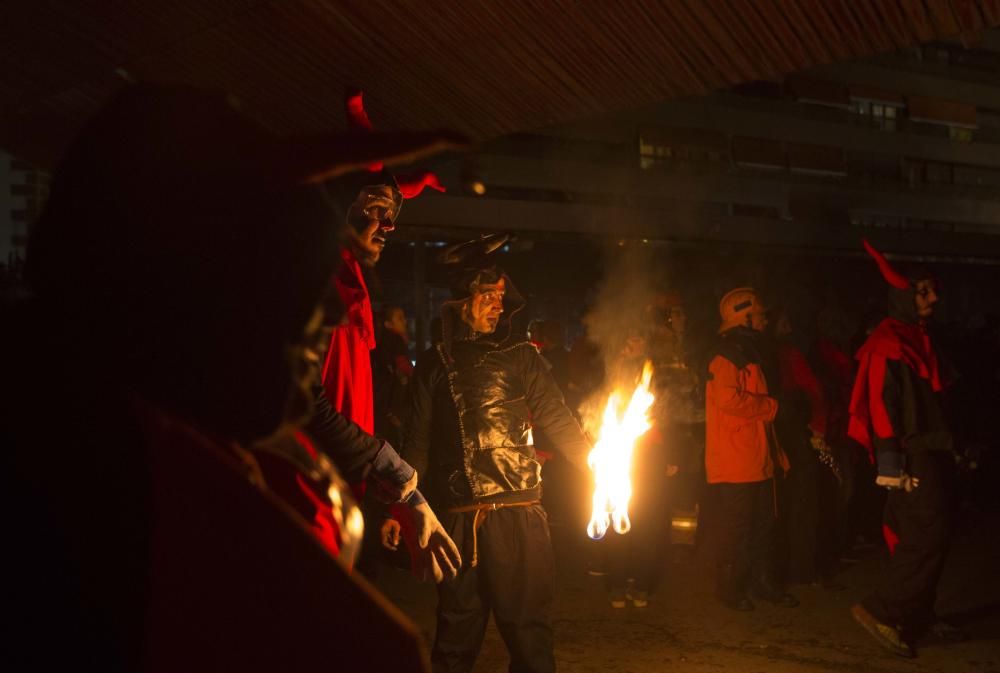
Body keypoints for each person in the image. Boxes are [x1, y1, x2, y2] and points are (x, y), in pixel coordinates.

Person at [1, 83, 466, 672]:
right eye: (285, 274)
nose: (327, 312)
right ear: (186, 290)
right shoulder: (91, 494)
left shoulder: (125, 435)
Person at [401, 234, 591, 673]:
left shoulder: (522, 357)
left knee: (529, 637)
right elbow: (417, 442)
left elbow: (557, 418)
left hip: (518, 514)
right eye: (487, 295)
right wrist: (401, 503)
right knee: (455, 635)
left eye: (501, 297)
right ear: (461, 302)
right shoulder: (434, 363)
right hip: (459, 519)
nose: (497, 305)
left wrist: (596, 467)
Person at [848, 241, 962, 658]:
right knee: (924, 536)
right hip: (911, 454)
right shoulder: (886, 344)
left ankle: (917, 613)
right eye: (923, 291)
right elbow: (881, 406)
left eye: (932, 290)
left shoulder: (919, 337)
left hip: (931, 450)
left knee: (935, 533)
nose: (933, 297)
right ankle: (883, 611)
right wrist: (892, 464)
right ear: (903, 295)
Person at [705, 287, 798, 611]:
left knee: (763, 524)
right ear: (744, 316)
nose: (766, 318)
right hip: (737, 459)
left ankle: (762, 583)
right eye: (760, 313)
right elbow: (727, 399)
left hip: (757, 456)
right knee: (738, 528)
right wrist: (773, 408)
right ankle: (730, 588)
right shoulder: (726, 355)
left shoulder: (753, 351)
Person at [770, 307, 842, 589]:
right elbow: (813, 392)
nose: (788, 328)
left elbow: (812, 392)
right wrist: (818, 429)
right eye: (782, 321)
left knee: (799, 503)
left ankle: (797, 568)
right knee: (801, 503)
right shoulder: (785, 355)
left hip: (792, 434)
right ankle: (798, 569)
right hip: (793, 435)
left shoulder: (788, 354)